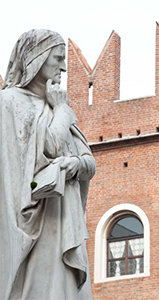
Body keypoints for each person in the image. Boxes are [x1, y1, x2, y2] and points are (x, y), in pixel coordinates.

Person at [0, 29, 96, 299]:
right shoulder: (10, 103)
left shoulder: (55, 105)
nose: (64, 67)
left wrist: (73, 165)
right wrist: (62, 111)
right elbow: (49, 148)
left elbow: (89, 161)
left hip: (64, 214)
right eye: (58, 58)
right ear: (37, 59)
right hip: (35, 222)